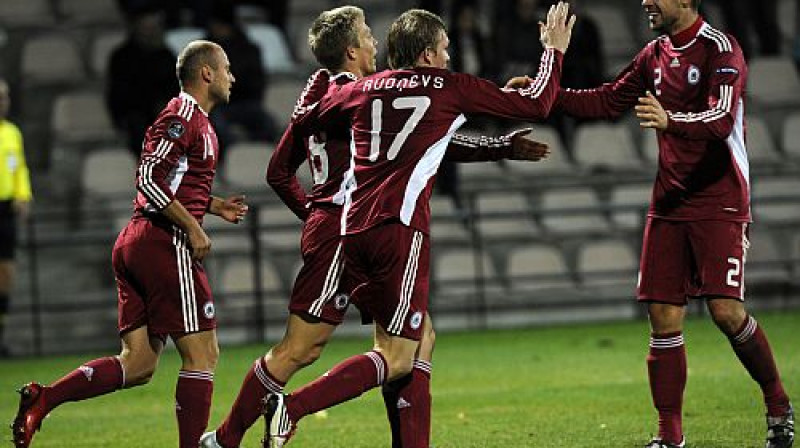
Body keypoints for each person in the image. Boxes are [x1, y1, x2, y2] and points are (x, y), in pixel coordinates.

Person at [198, 6, 551, 448]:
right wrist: (321, 215)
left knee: (414, 340)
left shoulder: (324, 94)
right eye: (367, 35)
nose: (375, 43)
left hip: (344, 223)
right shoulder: (360, 93)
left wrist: (312, 212)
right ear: (351, 50)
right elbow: (429, 132)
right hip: (352, 226)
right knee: (307, 349)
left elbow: (280, 170)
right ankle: (231, 437)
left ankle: (231, 438)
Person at [508, 0, 795, 446]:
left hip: (719, 199)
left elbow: (720, 119)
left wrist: (671, 119)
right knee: (662, 317)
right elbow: (607, 101)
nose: (645, 1)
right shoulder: (653, 53)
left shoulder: (721, 48)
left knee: (725, 311)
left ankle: (777, 404)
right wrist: (550, 94)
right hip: (669, 202)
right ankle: (669, 437)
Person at [12, 40, 248, 448]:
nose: (232, 76)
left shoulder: (201, 124)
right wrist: (192, 226)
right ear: (206, 73)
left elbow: (175, 182)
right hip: (162, 242)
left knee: (138, 363)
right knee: (203, 354)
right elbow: (148, 180)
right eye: (226, 68)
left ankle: (43, 398)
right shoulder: (181, 116)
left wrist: (213, 206)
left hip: (139, 241)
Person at [205, 1, 279, 156]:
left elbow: (256, 84)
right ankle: (235, 157)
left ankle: (254, 150)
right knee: (216, 124)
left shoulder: (249, 48)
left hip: (245, 103)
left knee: (269, 124)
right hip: (217, 107)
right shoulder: (203, 50)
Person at [107, 5, 180, 158]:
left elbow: (176, 88)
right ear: (136, 28)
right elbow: (120, 95)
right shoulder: (122, 57)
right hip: (135, 114)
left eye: (154, 27)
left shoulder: (166, 55)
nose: (151, 31)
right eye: (147, 27)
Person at [0, 79, 33, 358]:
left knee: (6, 273)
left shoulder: (12, 132)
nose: (3, 102)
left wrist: (23, 195)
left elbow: (19, 167)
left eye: (5, 97)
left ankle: (1, 337)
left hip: (6, 210)